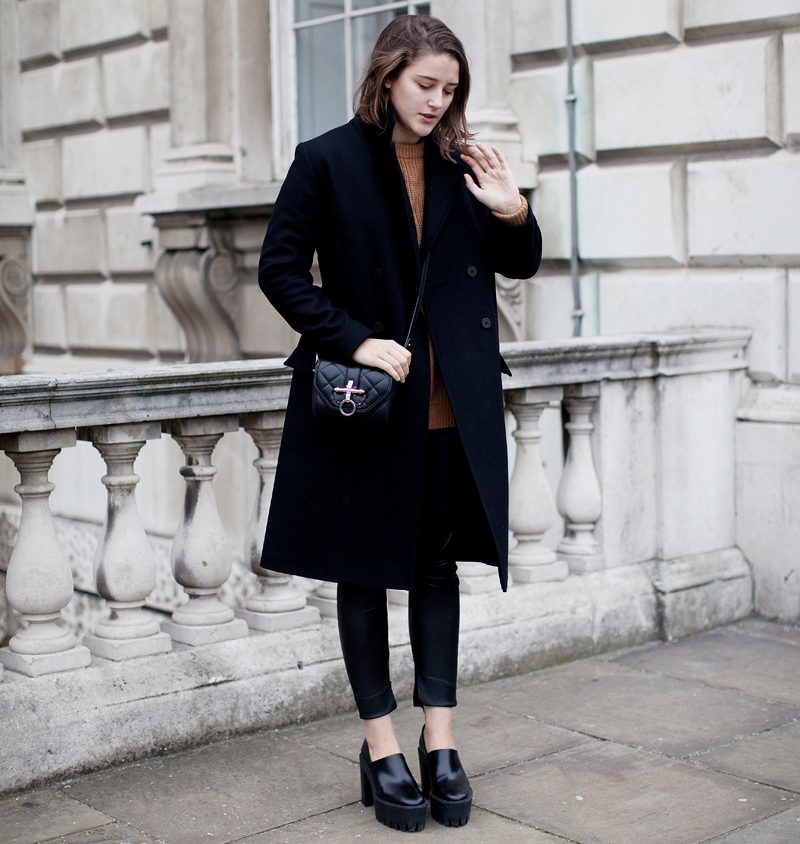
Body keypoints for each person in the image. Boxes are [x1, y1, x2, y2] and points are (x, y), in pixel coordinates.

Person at [257, 14, 541, 833]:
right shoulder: (326, 160)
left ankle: (439, 740)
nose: (437, 100)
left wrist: (513, 210)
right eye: (425, 84)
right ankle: (381, 745)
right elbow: (280, 271)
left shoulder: (461, 163)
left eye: (450, 88)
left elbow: (519, 262)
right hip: (369, 406)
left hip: (453, 404)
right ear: (387, 76)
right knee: (363, 572)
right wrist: (354, 338)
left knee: (437, 568)